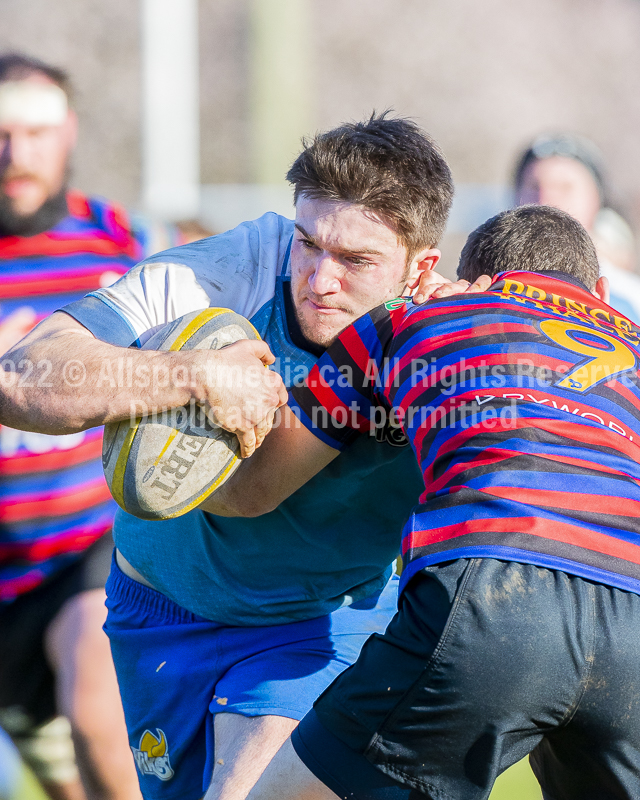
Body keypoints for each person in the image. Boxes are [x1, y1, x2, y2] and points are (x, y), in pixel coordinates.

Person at [0, 113, 483, 800]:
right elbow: (21, 376)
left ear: (421, 266)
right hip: (159, 612)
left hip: (320, 620)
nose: (320, 278)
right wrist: (191, 377)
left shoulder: (443, 335)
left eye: (355, 261)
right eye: (310, 244)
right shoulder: (228, 272)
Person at [205, 204, 640, 800]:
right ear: (601, 293)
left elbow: (252, 489)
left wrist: (186, 426)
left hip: (498, 587)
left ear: (474, 278)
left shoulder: (418, 318)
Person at [0, 52, 158, 800]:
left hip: (83, 550)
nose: (16, 152)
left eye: (35, 131)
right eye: (0, 131)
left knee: (98, 716)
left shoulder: (119, 248)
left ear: (68, 133)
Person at [514, 132, 640, 322]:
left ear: (597, 199)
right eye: (534, 186)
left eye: (564, 187)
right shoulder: (482, 285)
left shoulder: (632, 300)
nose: (545, 200)